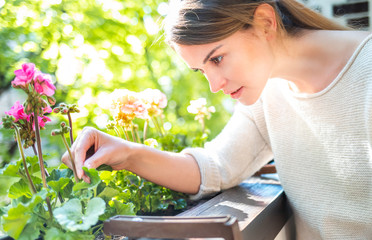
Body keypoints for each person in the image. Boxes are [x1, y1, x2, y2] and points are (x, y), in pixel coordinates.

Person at [62, 0, 372, 238]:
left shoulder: (366, 74)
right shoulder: (268, 91)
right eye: (201, 70)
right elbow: (216, 166)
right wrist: (126, 152)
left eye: (217, 58)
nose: (214, 86)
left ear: (265, 22)